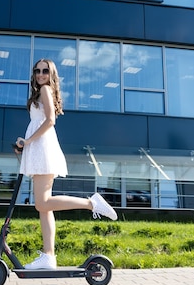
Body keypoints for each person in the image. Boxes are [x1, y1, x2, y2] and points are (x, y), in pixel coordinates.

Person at [15, 58, 118, 270]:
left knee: (42, 204)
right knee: (44, 208)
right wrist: (24, 145)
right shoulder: (41, 92)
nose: (41, 74)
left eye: (45, 71)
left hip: (42, 147)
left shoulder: (45, 90)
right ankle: (48, 256)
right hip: (39, 147)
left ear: (51, 74)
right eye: (37, 71)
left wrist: (29, 141)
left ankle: (92, 203)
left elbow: (50, 120)